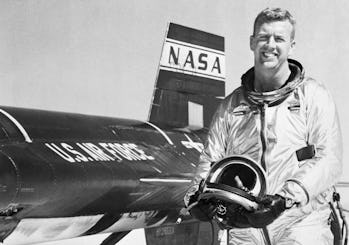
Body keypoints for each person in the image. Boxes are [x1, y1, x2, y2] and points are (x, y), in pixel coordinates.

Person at [184, 7, 342, 245]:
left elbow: (329, 159)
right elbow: (211, 159)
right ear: (252, 42)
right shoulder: (230, 107)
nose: (270, 45)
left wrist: (283, 200)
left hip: (300, 226)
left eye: (279, 38)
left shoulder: (312, 96)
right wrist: (195, 197)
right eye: (263, 37)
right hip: (244, 231)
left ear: (291, 45)